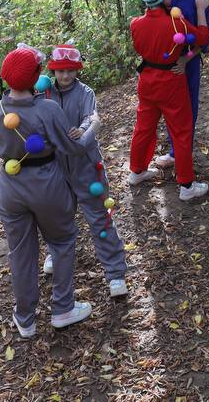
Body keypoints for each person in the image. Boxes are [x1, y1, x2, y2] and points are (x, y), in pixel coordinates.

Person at [0, 46, 92, 338]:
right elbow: (72, 147)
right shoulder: (48, 109)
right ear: (36, 78)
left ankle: (25, 318)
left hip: (10, 186)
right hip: (46, 183)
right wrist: (91, 128)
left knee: (21, 252)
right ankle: (63, 308)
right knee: (62, 241)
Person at [41, 44, 128, 298]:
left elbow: (91, 119)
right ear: (53, 71)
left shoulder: (85, 92)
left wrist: (83, 130)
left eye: (70, 71)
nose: (65, 76)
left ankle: (115, 274)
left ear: (77, 70)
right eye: (60, 71)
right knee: (56, 215)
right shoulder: (44, 93)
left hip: (87, 167)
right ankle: (54, 253)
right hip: (57, 167)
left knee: (100, 219)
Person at [128, 0, 209, 201]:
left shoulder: (135, 23)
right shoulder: (176, 24)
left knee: (144, 127)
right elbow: (202, 38)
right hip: (171, 81)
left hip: (147, 81)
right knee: (181, 132)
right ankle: (186, 185)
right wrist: (201, 10)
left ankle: (136, 171)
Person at [153, 0, 209, 168]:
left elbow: (206, 39)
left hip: (189, 62)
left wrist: (186, 59)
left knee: (189, 106)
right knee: (171, 106)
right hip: (166, 60)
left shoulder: (200, 1)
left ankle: (180, 152)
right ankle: (174, 149)